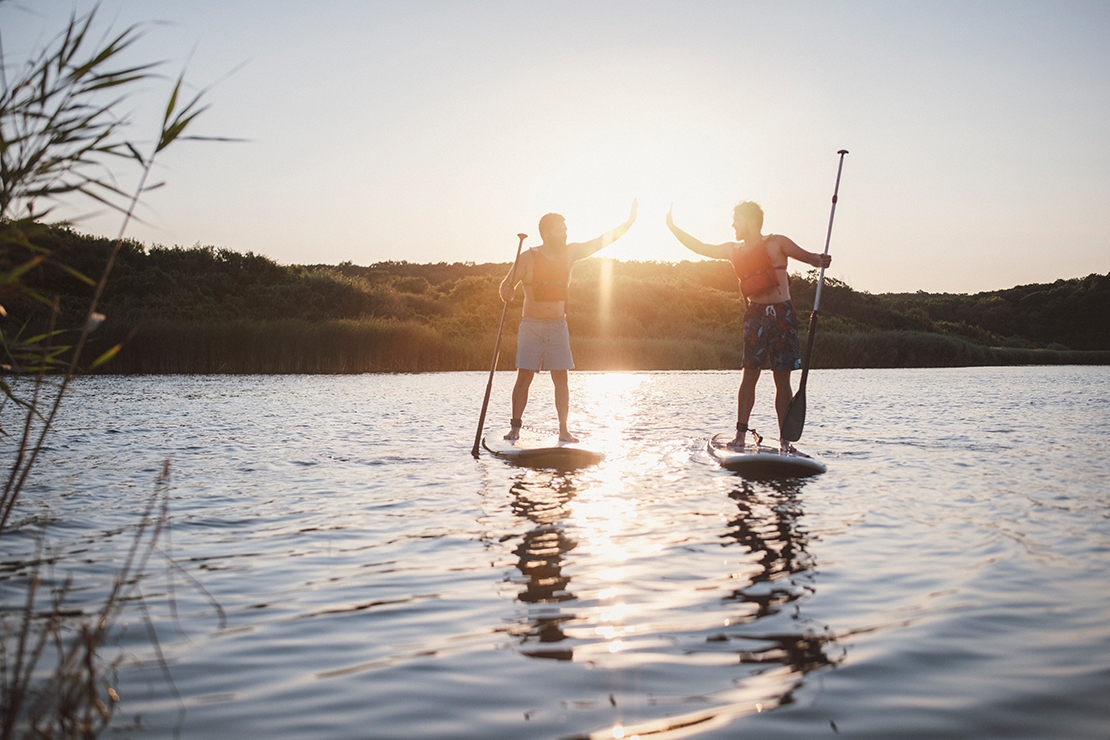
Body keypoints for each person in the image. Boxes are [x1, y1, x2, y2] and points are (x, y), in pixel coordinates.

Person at [666, 201, 831, 448]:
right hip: (755, 316)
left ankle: (785, 441)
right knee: (749, 374)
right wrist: (672, 227)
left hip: (782, 316)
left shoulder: (777, 243)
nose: (733, 224)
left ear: (751, 221)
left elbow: (810, 259)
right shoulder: (733, 250)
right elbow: (699, 247)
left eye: (737, 219)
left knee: (782, 379)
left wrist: (821, 260)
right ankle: (740, 436)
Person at [501, 200, 637, 442]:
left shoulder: (571, 252)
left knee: (561, 378)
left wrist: (628, 222)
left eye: (565, 229)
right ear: (545, 232)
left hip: (558, 325)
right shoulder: (528, 257)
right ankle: (515, 427)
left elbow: (601, 241)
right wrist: (506, 292)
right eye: (559, 229)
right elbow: (505, 286)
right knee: (524, 377)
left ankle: (563, 430)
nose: (564, 233)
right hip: (531, 325)